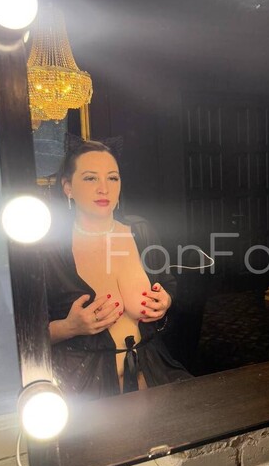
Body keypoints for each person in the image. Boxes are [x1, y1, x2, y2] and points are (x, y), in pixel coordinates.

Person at [43, 140, 191, 399]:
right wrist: (70, 327)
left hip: (152, 372)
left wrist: (165, 300)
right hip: (84, 388)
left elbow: (167, 283)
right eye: (90, 178)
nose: (104, 188)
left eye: (112, 178)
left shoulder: (141, 231)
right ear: (68, 187)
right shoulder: (49, 248)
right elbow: (21, 338)